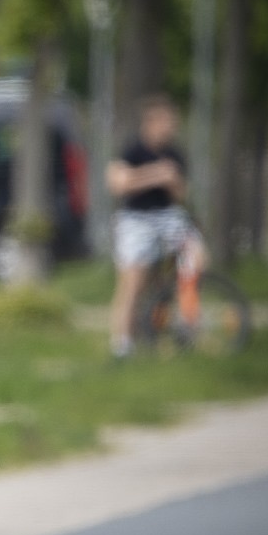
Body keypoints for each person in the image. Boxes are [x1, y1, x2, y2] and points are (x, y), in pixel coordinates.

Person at [106, 95, 202, 359]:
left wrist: (172, 181)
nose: (171, 127)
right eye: (167, 121)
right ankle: (122, 345)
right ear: (151, 122)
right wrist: (157, 174)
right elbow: (118, 183)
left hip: (168, 215)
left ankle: (185, 323)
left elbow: (181, 194)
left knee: (193, 261)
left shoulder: (175, 153)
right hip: (136, 219)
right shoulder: (132, 150)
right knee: (132, 281)